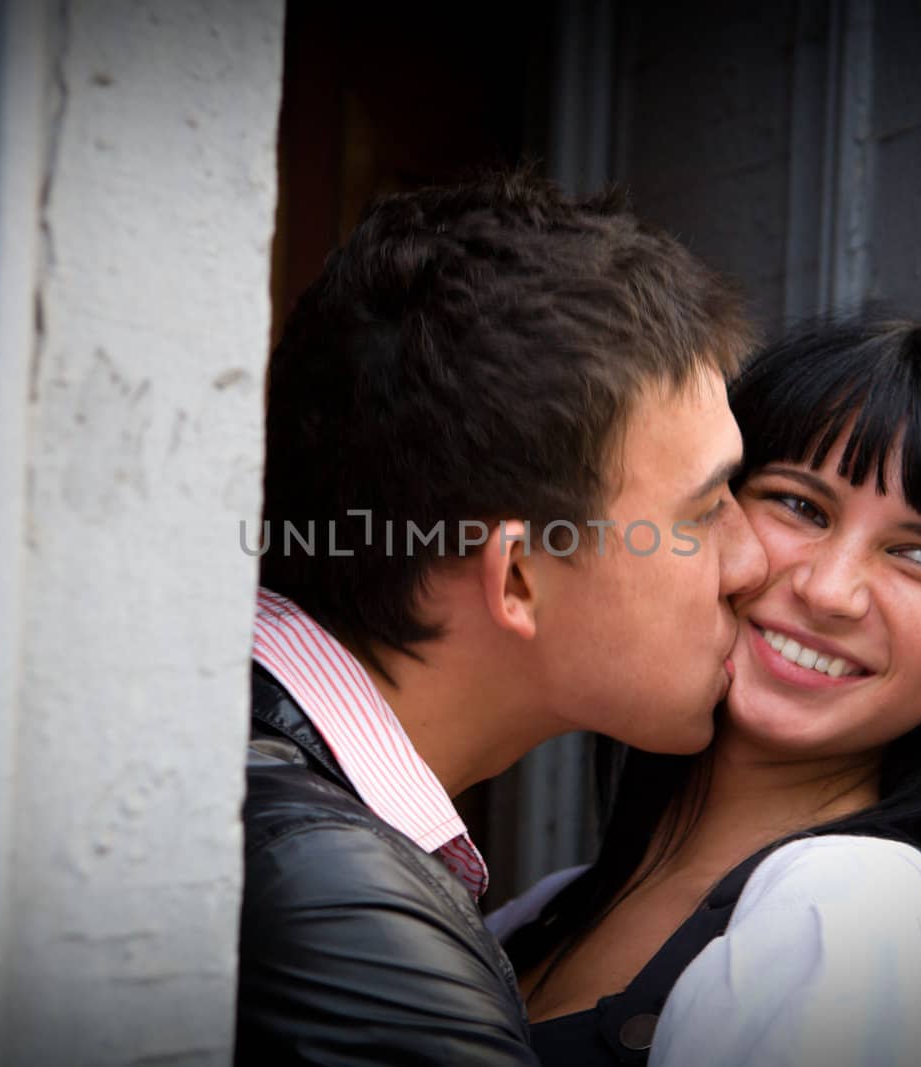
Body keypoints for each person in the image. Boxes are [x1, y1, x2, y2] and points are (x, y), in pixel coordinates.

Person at [493, 319, 921, 1065]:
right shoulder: (543, 910)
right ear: (705, 513)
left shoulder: (857, 910)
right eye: (800, 505)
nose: (830, 592)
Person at [234, 171, 770, 1064]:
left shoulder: (259, 789)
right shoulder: (344, 915)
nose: (754, 563)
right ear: (517, 576)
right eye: (706, 509)